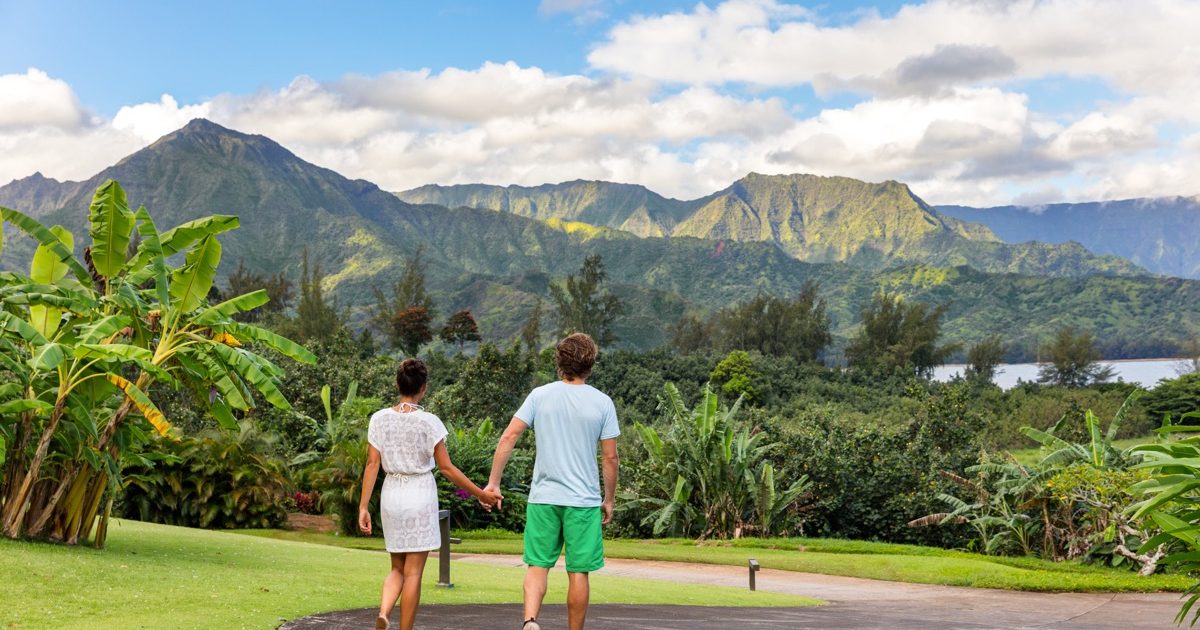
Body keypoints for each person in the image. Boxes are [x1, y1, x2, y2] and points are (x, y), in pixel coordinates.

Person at [485, 333, 620, 630]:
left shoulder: (539, 395)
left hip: (543, 497)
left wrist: (493, 483)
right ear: (590, 364)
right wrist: (609, 499)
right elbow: (610, 459)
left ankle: (530, 620)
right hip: (583, 502)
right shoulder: (603, 402)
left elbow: (509, 436)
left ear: (559, 362)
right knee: (579, 572)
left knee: (537, 566)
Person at [359, 358, 501, 630]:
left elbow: (372, 465)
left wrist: (364, 506)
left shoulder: (379, 419)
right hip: (419, 495)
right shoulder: (429, 422)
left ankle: (385, 612)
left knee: (396, 568)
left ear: (397, 384)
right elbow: (447, 468)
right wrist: (480, 493)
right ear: (423, 388)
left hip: (391, 495)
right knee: (413, 573)